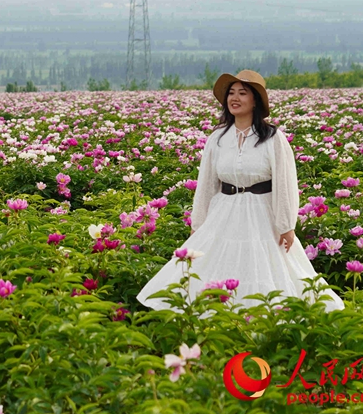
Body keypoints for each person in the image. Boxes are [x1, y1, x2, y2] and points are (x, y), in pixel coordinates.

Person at [136, 70, 344, 312]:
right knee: (213, 263)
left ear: (256, 100)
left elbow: (285, 183)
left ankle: (266, 315)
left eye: (242, 93)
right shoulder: (218, 138)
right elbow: (206, 184)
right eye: (231, 93)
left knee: (266, 268)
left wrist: (286, 225)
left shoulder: (272, 138)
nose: (234, 98)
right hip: (224, 211)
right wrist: (198, 223)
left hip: (262, 212)